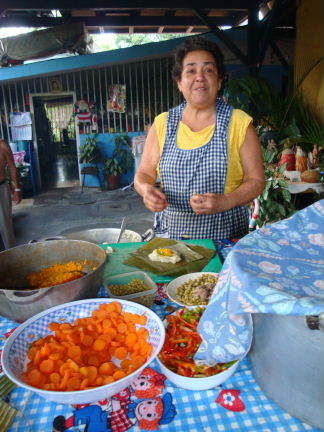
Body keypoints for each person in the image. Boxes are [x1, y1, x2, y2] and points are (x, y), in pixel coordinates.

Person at [134, 36, 265, 241]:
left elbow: (256, 181)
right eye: (191, 70)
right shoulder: (162, 123)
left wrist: (226, 201)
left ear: (220, 80)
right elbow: (143, 174)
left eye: (209, 70)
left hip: (225, 239)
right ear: (179, 82)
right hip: (172, 242)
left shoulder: (239, 123)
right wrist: (147, 191)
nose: (200, 77)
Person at [0, 138, 22, 250]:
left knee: (6, 229)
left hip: (1, 189)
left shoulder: (2, 144)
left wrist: (17, 189)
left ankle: (12, 258)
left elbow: (12, 167)